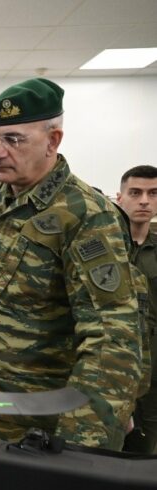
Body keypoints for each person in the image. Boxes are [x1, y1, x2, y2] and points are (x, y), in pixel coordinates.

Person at [0, 78, 143, 476]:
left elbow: (112, 337)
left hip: (27, 425)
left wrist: (79, 447)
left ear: (52, 140)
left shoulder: (84, 214)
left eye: (13, 139)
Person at [116, 164, 157, 454]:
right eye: (135, 193)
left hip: (152, 371)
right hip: (109, 364)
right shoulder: (103, 246)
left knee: (144, 451)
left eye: (153, 193)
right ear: (120, 198)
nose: (144, 201)